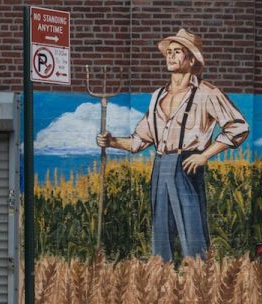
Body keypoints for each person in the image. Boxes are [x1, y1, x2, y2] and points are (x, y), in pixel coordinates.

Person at [97, 29, 249, 261]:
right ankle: (163, 276)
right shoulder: (158, 95)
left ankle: (198, 276)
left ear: (191, 59)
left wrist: (204, 155)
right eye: (169, 52)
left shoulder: (206, 93)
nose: (170, 56)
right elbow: (140, 140)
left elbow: (238, 127)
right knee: (160, 230)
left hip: (187, 164)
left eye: (177, 52)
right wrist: (112, 141)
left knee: (192, 228)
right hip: (160, 164)